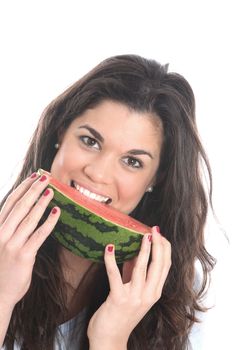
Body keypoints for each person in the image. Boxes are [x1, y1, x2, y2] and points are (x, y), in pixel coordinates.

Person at [0, 54, 216, 350]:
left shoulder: (172, 296)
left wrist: (110, 338)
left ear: (156, 178)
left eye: (132, 161)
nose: (98, 173)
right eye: (90, 141)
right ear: (61, 132)